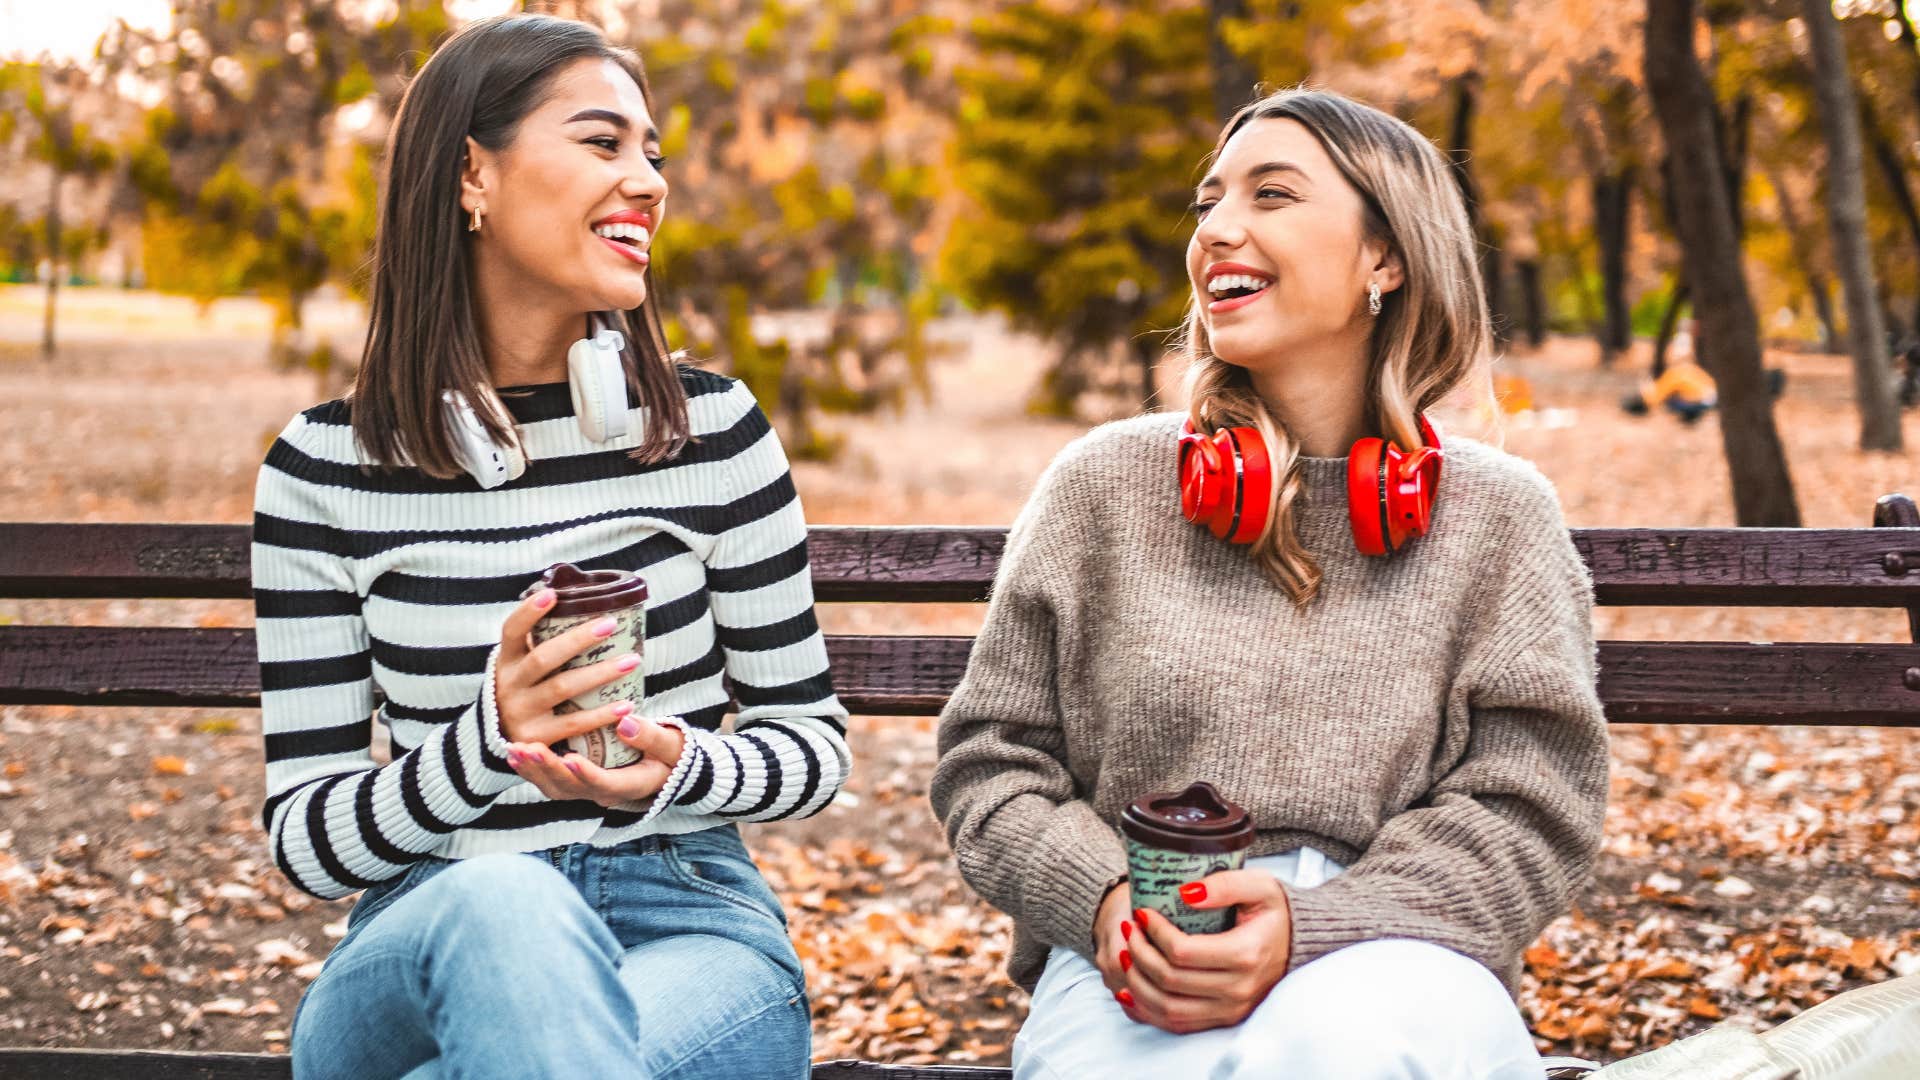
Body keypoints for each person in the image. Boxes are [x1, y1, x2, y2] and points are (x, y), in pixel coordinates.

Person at [931, 88, 1609, 1079]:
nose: (1217, 230)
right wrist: (1106, 901)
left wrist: (1317, 925)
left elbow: (1534, 811)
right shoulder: (1102, 488)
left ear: (1385, 257)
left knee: (1336, 1053)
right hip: (1141, 949)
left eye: (1272, 194)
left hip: (1403, 949)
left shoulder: (1501, 518)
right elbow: (990, 766)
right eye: (1209, 202)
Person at [253, 16, 848, 1079]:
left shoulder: (713, 436)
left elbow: (812, 749)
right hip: (426, 930)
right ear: (472, 173)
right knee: (503, 896)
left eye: (652, 154)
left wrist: (683, 766)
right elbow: (309, 837)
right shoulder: (325, 470)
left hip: (686, 923)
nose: (649, 181)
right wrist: (490, 737)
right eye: (602, 142)